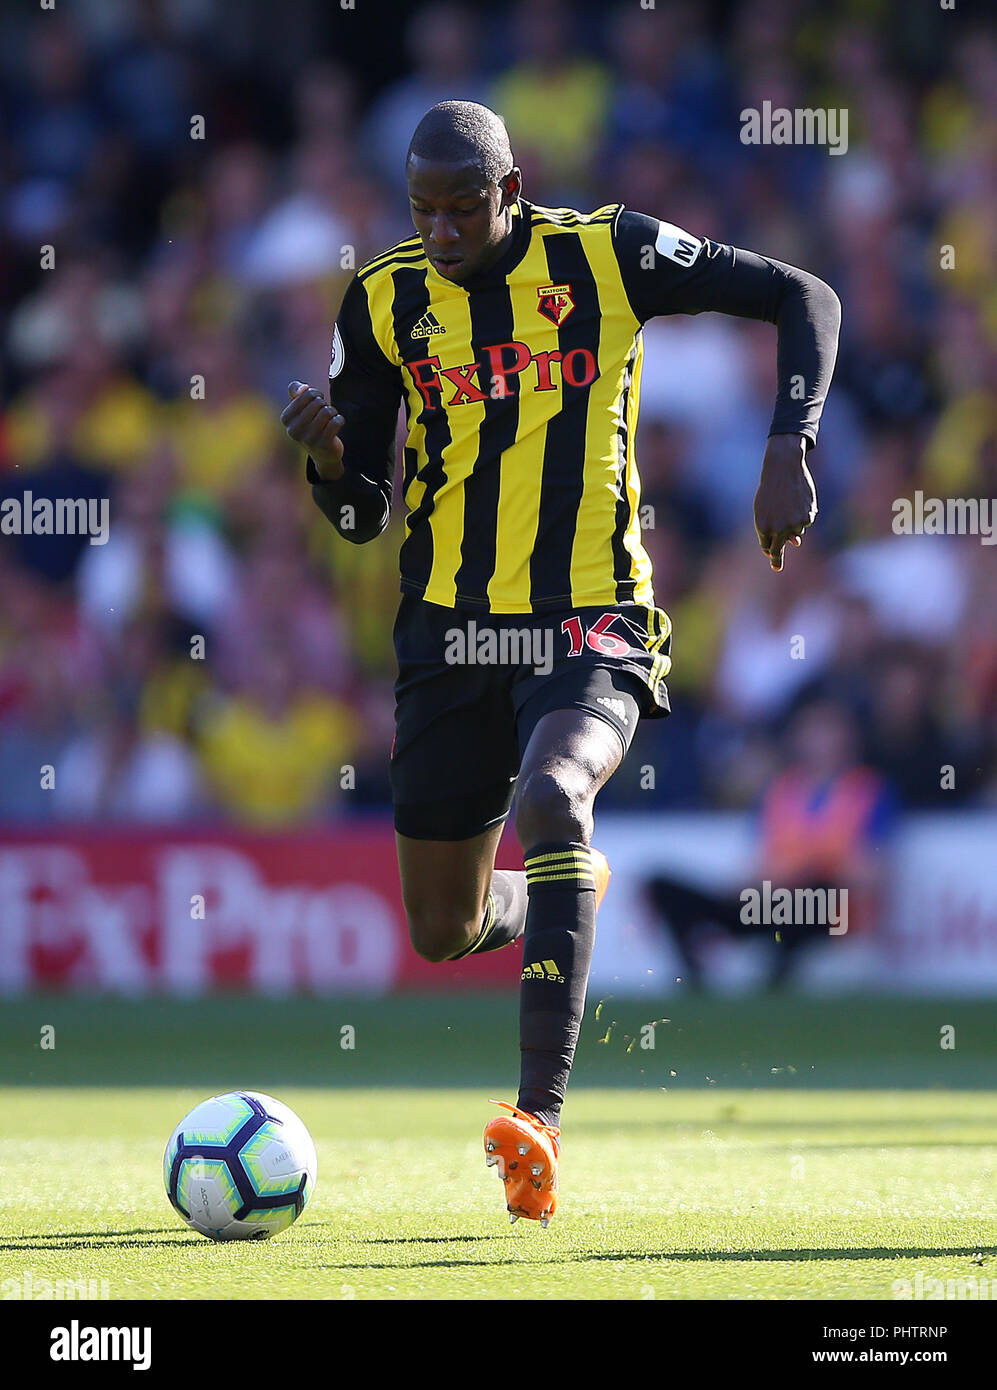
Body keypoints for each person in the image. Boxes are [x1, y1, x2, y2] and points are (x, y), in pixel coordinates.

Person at [281, 100, 840, 1226]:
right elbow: (361, 518)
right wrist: (332, 466)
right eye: (420, 210)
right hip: (446, 632)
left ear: (511, 189)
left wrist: (790, 446)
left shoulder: (605, 253)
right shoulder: (384, 300)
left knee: (551, 795)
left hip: (591, 614)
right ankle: (557, 890)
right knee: (437, 931)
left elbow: (802, 295)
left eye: (461, 206)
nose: (439, 230)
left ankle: (536, 1118)